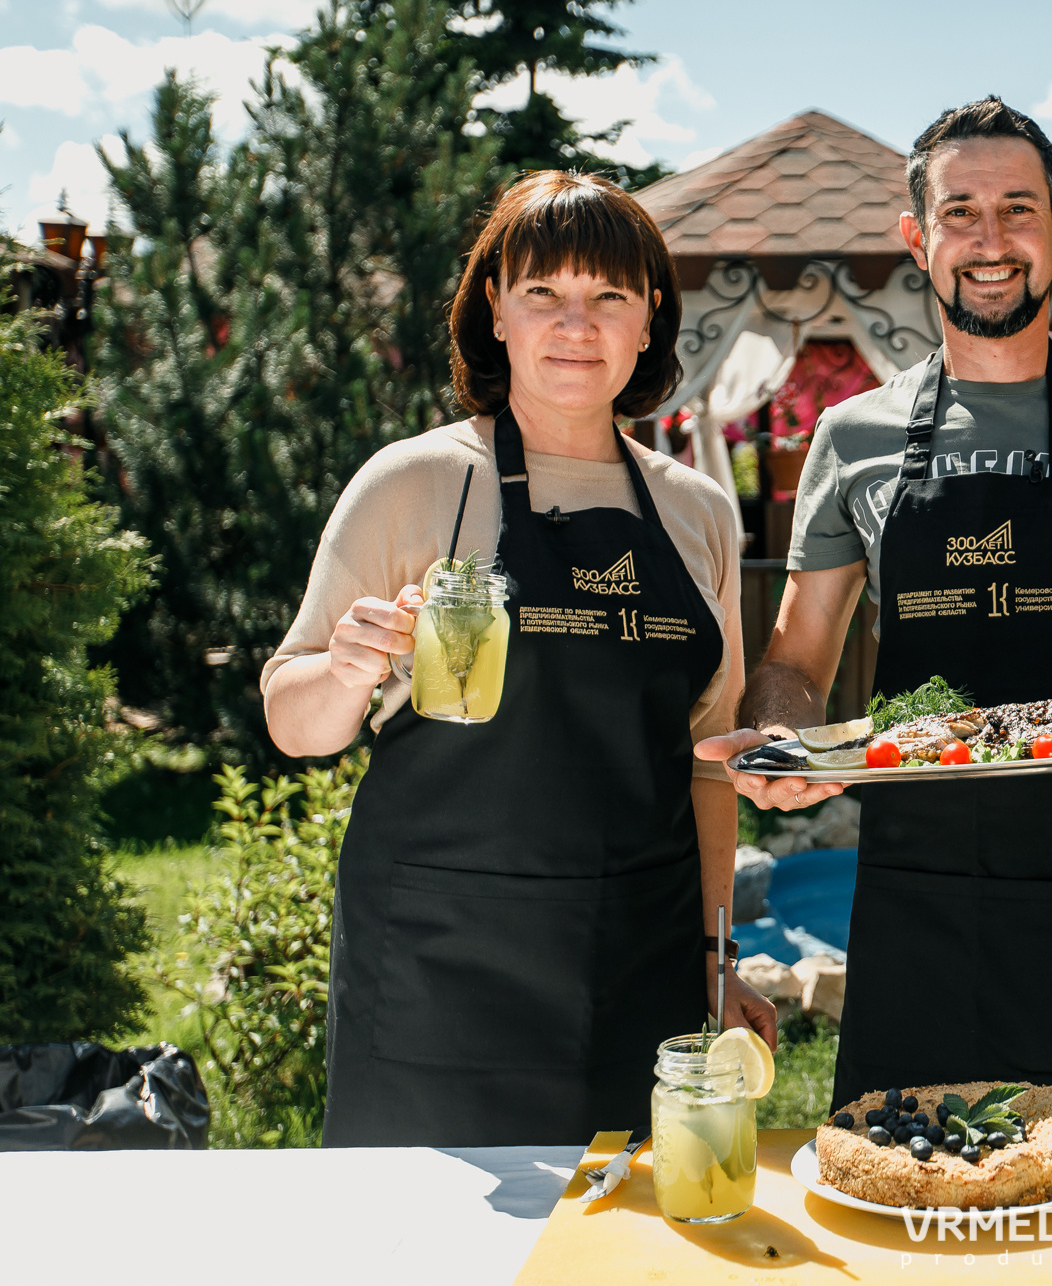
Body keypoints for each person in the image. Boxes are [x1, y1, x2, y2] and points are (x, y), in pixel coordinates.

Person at [696, 97, 1052, 1122]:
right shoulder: (851, 435)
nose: (992, 239)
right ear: (918, 240)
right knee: (913, 1223)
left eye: (1018, 209)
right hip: (921, 900)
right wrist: (783, 736)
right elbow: (797, 656)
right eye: (961, 212)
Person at [264, 171, 777, 1148]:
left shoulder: (699, 510)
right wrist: (341, 673)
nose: (575, 323)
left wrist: (717, 963)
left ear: (648, 320)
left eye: (608, 296)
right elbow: (293, 722)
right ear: (495, 308)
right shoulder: (414, 482)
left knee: (628, 1245)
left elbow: (708, 766)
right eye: (543, 292)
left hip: (641, 966)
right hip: (437, 972)